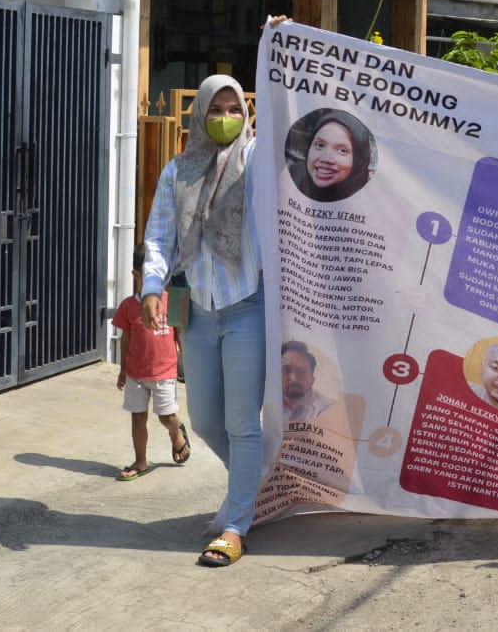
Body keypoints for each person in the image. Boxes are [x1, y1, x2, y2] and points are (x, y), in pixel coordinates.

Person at [142, 73, 265, 569]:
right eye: (215, 110)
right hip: (198, 315)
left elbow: (296, 122)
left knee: (241, 424)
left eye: (234, 109)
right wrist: (152, 286)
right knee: (206, 420)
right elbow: (159, 236)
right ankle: (257, 493)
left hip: (247, 309)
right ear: (199, 116)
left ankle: (236, 524)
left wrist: (279, 47)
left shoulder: (259, 162)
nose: (224, 120)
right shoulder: (178, 172)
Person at [111, 255, 190, 480]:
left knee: (166, 417)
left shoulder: (171, 301)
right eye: (145, 275)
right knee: (138, 417)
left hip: (165, 372)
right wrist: (123, 370)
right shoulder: (128, 306)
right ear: (135, 274)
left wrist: (188, 365)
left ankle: (177, 434)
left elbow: (180, 335)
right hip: (136, 373)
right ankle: (140, 461)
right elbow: (125, 339)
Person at [289, 110, 374, 202]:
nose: (326, 158)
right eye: (320, 145)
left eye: (342, 150)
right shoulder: (293, 175)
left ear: (359, 160)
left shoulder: (370, 201)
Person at [281, 340, 336, 423]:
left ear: (312, 380)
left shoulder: (327, 409)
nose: (293, 378)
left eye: (301, 372)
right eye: (286, 370)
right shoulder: (264, 402)